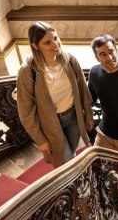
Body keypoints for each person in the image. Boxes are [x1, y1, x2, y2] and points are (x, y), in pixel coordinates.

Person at [17, 21, 94, 167]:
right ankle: (72, 187)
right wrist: (39, 139)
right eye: (47, 42)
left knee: (70, 154)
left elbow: (83, 88)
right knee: (65, 162)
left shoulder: (69, 59)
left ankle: (72, 183)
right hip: (50, 124)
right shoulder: (28, 71)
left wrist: (88, 113)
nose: (55, 44)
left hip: (74, 117)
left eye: (56, 38)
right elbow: (26, 111)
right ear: (35, 46)